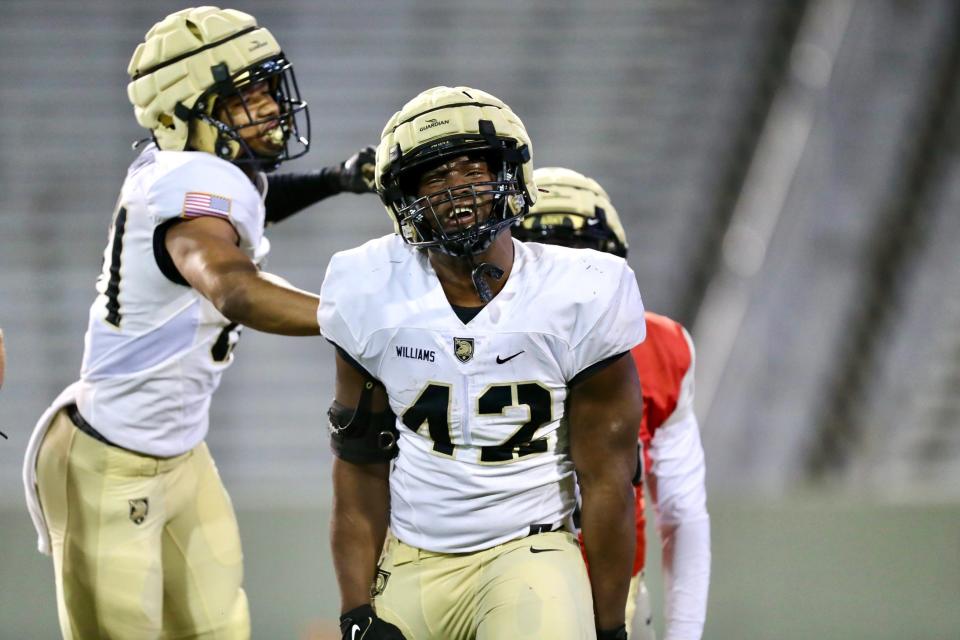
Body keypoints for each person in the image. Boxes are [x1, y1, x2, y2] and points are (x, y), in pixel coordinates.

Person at [21, 7, 374, 638]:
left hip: (178, 451)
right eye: (246, 97)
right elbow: (234, 287)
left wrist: (334, 181)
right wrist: (348, 317)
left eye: (268, 88)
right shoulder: (188, 191)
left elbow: (250, 203)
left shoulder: (205, 173)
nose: (269, 108)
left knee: (219, 626)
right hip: (110, 458)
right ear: (182, 114)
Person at [319, 85, 647, 640]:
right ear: (404, 195)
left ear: (510, 175)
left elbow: (608, 479)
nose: (459, 188)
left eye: (474, 167)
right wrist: (355, 613)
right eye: (436, 175)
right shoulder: (366, 286)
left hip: (530, 550)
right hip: (412, 555)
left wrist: (609, 626)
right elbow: (358, 464)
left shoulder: (583, 290)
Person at [514, 167, 711, 640]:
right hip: (499, 588)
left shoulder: (662, 347)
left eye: (579, 260)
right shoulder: (460, 338)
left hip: (608, 595)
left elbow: (682, 512)